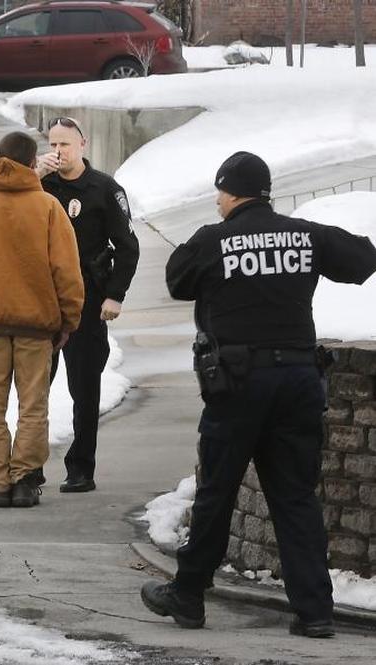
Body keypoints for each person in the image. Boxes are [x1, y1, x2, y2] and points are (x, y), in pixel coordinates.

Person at [141, 151, 376, 637]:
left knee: (217, 491)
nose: (217, 200)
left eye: (220, 192)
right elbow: (363, 260)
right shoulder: (306, 234)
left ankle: (188, 596)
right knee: (295, 497)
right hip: (297, 381)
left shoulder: (214, 239)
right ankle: (315, 612)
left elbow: (177, 279)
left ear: (230, 192)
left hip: (238, 383)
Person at [0, 131, 84, 509]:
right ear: (31, 162)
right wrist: (68, 320)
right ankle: (24, 481)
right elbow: (66, 271)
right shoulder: (48, 207)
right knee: (32, 404)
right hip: (36, 327)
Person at [35, 116, 140, 493]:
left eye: (65, 144)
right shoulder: (39, 186)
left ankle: (81, 467)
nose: (58, 151)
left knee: (84, 386)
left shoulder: (104, 190)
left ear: (83, 145)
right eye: (53, 144)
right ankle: (31, 468)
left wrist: (115, 294)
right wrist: (32, 176)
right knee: (35, 389)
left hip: (87, 299)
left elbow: (128, 248)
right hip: (42, 301)